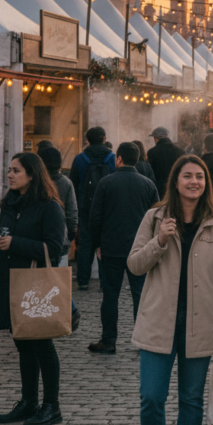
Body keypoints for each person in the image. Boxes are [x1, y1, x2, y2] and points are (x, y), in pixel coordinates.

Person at [127, 155, 213, 425]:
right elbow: (135, 265)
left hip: (201, 323)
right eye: (187, 176)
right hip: (158, 321)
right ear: (175, 182)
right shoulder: (154, 218)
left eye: (199, 177)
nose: (194, 182)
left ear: (206, 183)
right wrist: (160, 240)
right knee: (151, 397)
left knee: (191, 399)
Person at [0, 153, 66, 425]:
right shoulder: (9, 203)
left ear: (32, 174)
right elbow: (0, 242)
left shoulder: (49, 206)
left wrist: (16, 243)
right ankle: (28, 401)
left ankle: (51, 406)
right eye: (9, 169)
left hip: (35, 287)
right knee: (23, 345)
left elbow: (55, 248)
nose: (10, 174)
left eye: (16, 170)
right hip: (9, 283)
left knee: (43, 345)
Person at [88, 142, 160, 354]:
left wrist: (97, 244)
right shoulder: (148, 184)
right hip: (140, 249)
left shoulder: (106, 183)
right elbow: (156, 217)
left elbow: (95, 217)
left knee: (110, 295)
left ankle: (109, 340)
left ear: (119, 159)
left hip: (111, 248)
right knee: (140, 295)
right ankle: (142, 340)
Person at [38, 146, 82, 331]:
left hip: (40, 239)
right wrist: (69, 234)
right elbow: (72, 213)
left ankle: (69, 310)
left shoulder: (38, 183)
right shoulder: (66, 182)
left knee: (51, 276)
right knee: (54, 274)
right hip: (61, 238)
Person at [70, 127, 116, 291]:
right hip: (107, 208)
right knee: (106, 243)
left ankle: (83, 280)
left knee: (86, 243)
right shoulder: (112, 157)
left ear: (87, 140)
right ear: (104, 138)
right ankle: (105, 282)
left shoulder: (80, 159)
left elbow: (73, 184)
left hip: (85, 207)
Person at [147, 127, 185, 196]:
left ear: (156, 138)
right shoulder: (181, 151)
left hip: (159, 190)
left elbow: (150, 173)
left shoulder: (152, 152)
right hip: (177, 188)